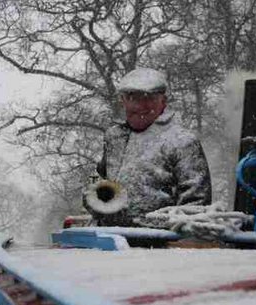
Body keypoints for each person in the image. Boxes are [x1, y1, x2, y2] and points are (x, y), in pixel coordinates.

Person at [86, 67, 212, 227]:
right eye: (133, 98)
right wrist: (94, 198)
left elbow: (196, 204)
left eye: (150, 98)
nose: (141, 106)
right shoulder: (113, 137)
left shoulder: (182, 141)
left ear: (163, 102)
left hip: (158, 243)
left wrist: (175, 237)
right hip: (110, 238)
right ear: (123, 100)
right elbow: (97, 178)